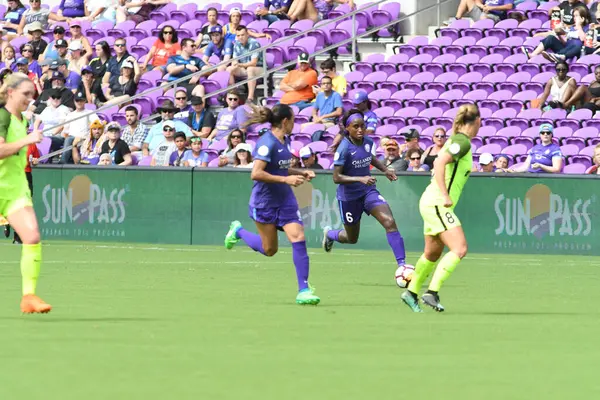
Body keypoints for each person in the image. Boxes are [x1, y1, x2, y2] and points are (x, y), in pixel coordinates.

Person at [223, 104, 320, 305]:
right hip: (264, 202)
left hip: (285, 200)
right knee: (270, 250)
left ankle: (303, 289)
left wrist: (300, 173)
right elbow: (256, 173)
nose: (295, 123)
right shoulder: (267, 143)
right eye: (293, 119)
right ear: (285, 121)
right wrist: (286, 180)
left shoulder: (286, 140)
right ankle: (239, 231)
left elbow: (281, 169)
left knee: (298, 236)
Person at [401, 104, 481, 313]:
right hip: (437, 202)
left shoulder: (459, 141)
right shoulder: (461, 141)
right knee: (460, 248)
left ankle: (411, 292)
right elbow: (439, 163)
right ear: (477, 121)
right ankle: (432, 292)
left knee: (432, 253)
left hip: (430, 202)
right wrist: (445, 195)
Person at [321, 109, 407, 280]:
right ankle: (330, 234)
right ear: (348, 128)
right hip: (349, 198)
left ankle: (402, 266)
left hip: (368, 192)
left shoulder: (367, 142)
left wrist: (385, 170)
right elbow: (336, 177)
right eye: (356, 127)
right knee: (351, 238)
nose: (360, 130)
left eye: (362, 126)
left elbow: (370, 157)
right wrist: (359, 178)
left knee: (389, 222)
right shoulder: (343, 148)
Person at [0, 72, 51, 313]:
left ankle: (28, 296)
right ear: (10, 92)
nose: (31, 99)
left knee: (31, 238)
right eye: (26, 94)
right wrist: (27, 140)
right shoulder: (2, 116)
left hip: (15, 189)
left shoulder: (21, 120)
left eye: (32, 94)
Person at [525, 6, 590, 61]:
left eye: (576, 16)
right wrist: (559, 35)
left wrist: (579, 26)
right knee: (551, 38)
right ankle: (533, 55)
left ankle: (560, 57)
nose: (574, 18)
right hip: (565, 49)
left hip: (575, 51)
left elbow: (583, 39)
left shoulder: (587, 28)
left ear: (582, 18)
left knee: (578, 46)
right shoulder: (571, 28)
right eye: (574, 16)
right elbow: (565, 43)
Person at [226, 26, 264, 104]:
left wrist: (239, 64)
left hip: (259, 68)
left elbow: (254, 63)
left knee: (250, 69)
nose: (240, 37)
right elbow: (234, 60)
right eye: (238, 35)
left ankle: (250, 98)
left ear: (247, 34)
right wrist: (235, 64)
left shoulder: (254, 43)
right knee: (229, 69)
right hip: (244, 67)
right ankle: (234, 95)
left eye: (242, 35)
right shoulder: (237, 44)